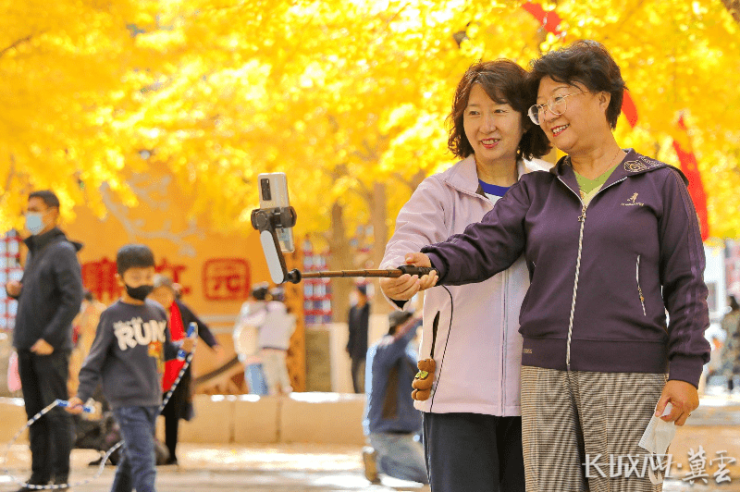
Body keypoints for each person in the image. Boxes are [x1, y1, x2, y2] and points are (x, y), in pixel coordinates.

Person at [405, 40, 711, 492]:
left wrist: (685, 372)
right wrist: (433, 260)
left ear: (602, 98)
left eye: (559, 98)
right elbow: (483, 244)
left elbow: (687, 285)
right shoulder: (537, 191)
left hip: (629, 377)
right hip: (543, 380)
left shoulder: (659, 184)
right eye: (540, 106)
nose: (548, 114)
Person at [379, 60, 550, 491]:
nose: (486, 125)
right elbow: (405, 247)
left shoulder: (553, 189)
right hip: (454, 395)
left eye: (500, 110)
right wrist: (399, 275)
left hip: (539, 394)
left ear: (525, 118)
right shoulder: (438, 192)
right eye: (474, 112)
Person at [67, 244, 193, 492]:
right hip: (125, 401)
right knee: (145, 460)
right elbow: (95, 359)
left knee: (131, 455)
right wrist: (82, 395)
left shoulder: (157, 313)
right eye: (136, 277)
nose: (143, 282)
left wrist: (182, 347)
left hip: (152, 398)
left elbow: (161, 350)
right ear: (120, 279)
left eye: (148, 276)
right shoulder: (112, 316)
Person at [6, 190, 84, 491]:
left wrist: (50, 338)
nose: (29, 215)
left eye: (35, 209)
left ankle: (60, 478)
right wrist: (19, 290)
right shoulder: (36, 250)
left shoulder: (62, 250)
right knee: (34, 415)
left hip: (50, 348)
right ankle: (38, 477)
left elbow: (72, 299)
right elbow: (42, 295)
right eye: (28, 209)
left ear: (52, 213)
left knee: (55, 414)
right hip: (27, 345)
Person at [149, 274, 224, 465]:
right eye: (157, 295)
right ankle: (151, 453)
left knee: (173, 414)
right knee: (149, 414)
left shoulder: (181, 310)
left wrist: (214, 345)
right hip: (151, 371)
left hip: (178, 370)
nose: (162, 299)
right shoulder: (146, 313)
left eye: (165, 295)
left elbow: (201, 327)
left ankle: (171, 454)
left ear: (172, 295)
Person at [362, 310, 427, 485]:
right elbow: (400, 341)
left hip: (408, 433)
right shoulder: (382, 349)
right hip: (389, 434)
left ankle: (381, 461)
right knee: (428, 475)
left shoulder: (408, 356)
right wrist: (418, 320)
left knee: (436, 470)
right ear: (399, 327)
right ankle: (378, 463)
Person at [241, 285, 296, 395]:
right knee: (281, 367)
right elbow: (291, 329)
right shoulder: (288, 312)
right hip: (281, 346)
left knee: (269, 368)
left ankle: (273, 389)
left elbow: (254, 321)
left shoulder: (267, 310)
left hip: (266, 346)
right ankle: (286, 387)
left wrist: (244, 319)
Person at [233, 284, 270, 395]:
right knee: (266, 386)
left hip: (250, 352)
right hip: (266, 352)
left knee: (255, 386)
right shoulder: (269, 309)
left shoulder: (247, 308)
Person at [69, 290, 107, 395]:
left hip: (97, 343)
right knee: (79, 368)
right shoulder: (84, 309)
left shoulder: (100, 308)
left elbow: (103, 327)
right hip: (83, 344)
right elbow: (76, 324)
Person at [347, 284, 370, 394]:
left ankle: (366, 393)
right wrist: (349, 345)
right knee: (354, 371)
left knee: (365, 371)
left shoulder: (368, 309)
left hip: (365, 345)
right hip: (355, 346)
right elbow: (351, 330)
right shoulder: (352, 310)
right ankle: (357, 393)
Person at [721, 295, 740, 391]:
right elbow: (723, 326)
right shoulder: (728, 315)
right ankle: (730, 383)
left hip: (736, 341)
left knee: (734, 362)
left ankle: (731, 383)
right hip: (730, 341)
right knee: (729, 362)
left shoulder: (736, 314)